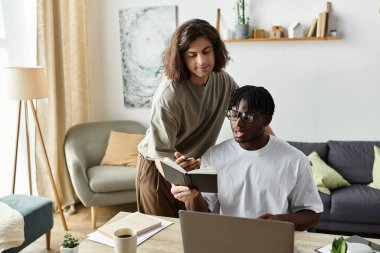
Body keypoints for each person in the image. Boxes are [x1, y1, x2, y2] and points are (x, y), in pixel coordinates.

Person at [136, 19, 274, 217]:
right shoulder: (169, 96)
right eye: (192, 55)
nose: (201, 61)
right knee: (163, 237)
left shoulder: (223, 80)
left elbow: (252, 118)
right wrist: (177, 181)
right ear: (181, 57)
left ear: (216, 51)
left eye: (206, 52)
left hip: (192, 167)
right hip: (159, 167)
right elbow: (161, 153)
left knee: (192, 234)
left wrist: (282, 150)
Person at [171, 85, 323, 231]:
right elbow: (200, 217)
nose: (237, 123)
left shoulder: (296, 160)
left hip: (273, 241)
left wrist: (281, 221)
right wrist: (192, 194)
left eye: (247, 116)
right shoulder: (213, 156)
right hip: (228, 239)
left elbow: (312, 214)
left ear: (266, 120)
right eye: (234, 114)